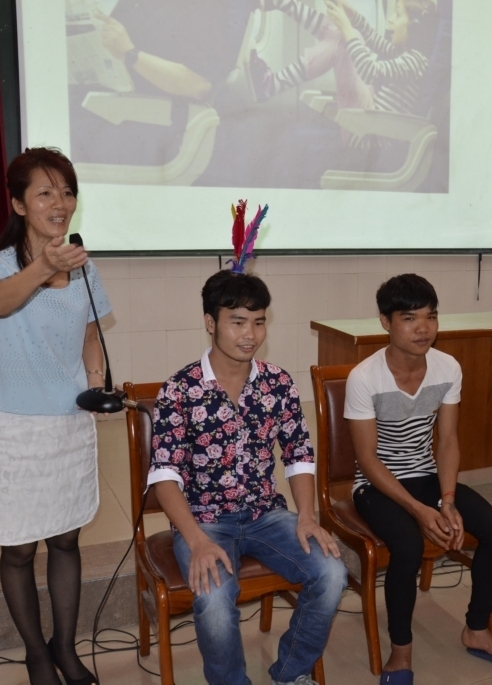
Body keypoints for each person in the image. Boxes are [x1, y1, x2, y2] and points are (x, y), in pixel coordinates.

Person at [148, 270, 347, 685]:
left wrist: (307, 516)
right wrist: (197, 541)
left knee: (331, 574)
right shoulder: (179, 390)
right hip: (203, 521)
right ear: (210, 322)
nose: (250, 334)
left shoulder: (278, 383)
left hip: (265, 516)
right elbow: (164, 476)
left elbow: (298, 454)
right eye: (237, 322)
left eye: (259, 322)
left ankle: (290, 674)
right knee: (215, 599)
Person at [345, 274, 492, 684]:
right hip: (376, 485)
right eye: (409, 318)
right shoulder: (365, 377)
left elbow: (447, 441)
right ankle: (401, 652)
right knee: (408, 546)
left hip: (426, 475)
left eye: (430, 317)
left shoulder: (447, 367)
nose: (423, 328)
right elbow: (367, 458)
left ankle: (477, 630)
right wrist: (419, 510)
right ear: (385, 322)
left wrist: (446, 499)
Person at [0, 147, 111, 685]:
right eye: (46, 192)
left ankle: (64, 648)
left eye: (67, 192)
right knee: (20, 546)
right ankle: (35, 653)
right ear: (19, 204)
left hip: (67, 421)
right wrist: (45, 265)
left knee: (67, 539)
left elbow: (91, 333)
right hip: (12, 426)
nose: (60, 203)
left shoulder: (83, 266)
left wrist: (93, 382)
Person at [254, 0, 440, 149]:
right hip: (369, 122)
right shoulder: (404, 53)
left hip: (368, 136)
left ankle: (272, 84)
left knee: (348, 37)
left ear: (415, 27)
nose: (390, 20)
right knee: (343, 34)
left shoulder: (416, 62)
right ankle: (283, 3)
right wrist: (350, 15)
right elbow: (371, 37)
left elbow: (370, 71)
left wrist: (346, 27)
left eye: (397, 15)